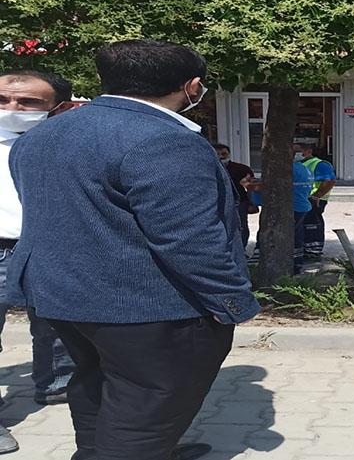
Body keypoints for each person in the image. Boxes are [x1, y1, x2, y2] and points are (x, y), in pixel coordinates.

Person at [7, 41, 260, 460]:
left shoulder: (43, 133)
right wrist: (232, 301)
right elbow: (188, 238)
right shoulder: (165, 140)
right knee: (145, 409)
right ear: (192, 86)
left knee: (95, 384)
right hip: (148, 307)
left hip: (62, 297)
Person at [0, 69, 77, 455]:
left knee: (56, 325)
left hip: (51, 246)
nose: (12, 108)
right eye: (3, 100)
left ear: (58, 107)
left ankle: (57, 384)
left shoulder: (70, 142)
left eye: (28, 102)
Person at [294, 143, 336, 259]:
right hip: (302, 198)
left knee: (312, 224)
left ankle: (313, 250)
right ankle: (306, 249)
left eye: (298, 151)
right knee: (303, 224)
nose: (295, 154)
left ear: (308, 151)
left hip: (314, 199)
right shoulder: (298, 164)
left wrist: (316, 196)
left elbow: (330, 181)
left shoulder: (320, 164)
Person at [214, 144, 256, 248]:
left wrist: (252, 203)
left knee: (241, 226)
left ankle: (242, 248)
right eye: (217, 154)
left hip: (239, 202)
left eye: (223, 154)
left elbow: (251, 188)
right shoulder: (207, 169)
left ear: (229, 154)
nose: (220, 157)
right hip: (216, 203)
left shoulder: (242, 169)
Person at [293, 150, 314, 273]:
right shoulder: (305, 168)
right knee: (297, 233)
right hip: (303, 205)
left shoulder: (289, 169)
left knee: (293, 235)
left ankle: (295, 263)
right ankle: (298, 262)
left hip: (293, 205)